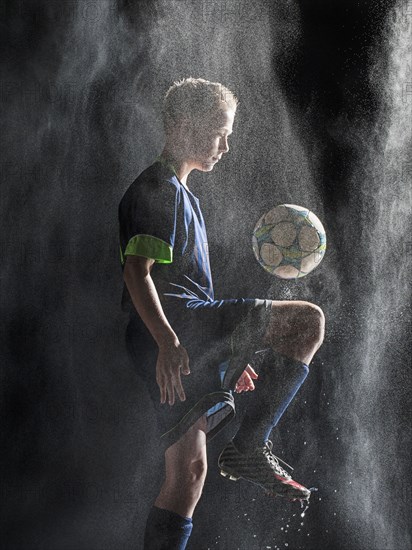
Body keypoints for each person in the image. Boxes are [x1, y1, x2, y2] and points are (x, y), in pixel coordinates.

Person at [118, 77, 325, 550]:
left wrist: (232, 349)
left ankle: (246, 451)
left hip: (188, 331)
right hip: (178, 326)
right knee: (308, 321)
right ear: (184, 126)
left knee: (189, 475)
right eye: (220, 132)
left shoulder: (182, 192)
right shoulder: (159, 190)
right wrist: (169, 342)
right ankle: (251, 447)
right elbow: (137, 273)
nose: (227, 146)